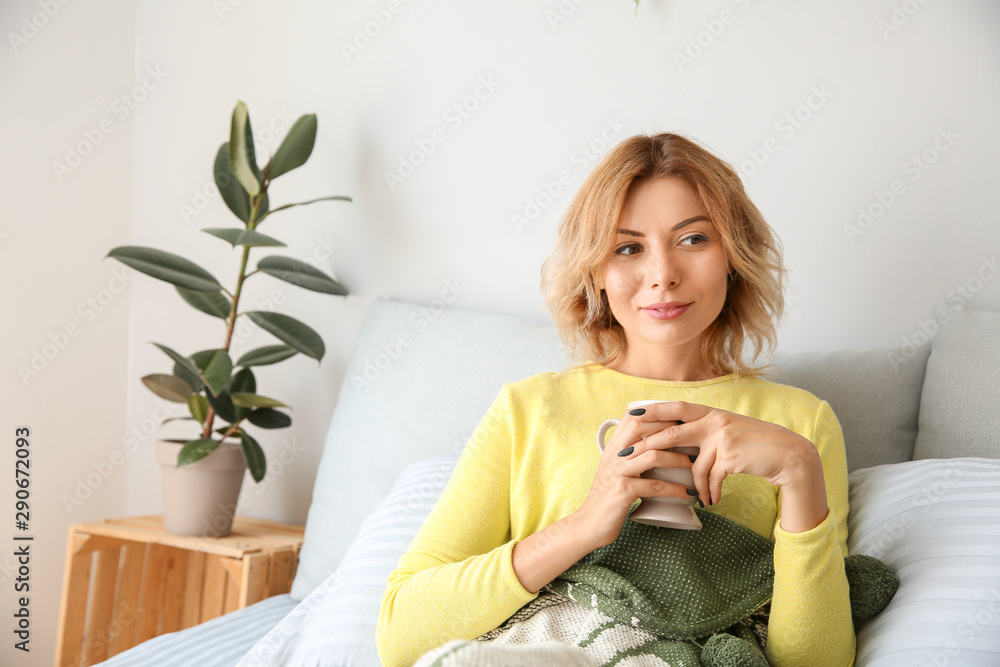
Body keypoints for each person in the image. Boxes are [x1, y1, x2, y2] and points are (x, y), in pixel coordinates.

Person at [376, 133, 855, 666]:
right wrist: (585, 524)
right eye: (628, 248)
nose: (663, 275)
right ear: (597, 274)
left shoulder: (800, 424)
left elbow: (816, 664)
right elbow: (400, 634)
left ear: (733, 257)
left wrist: (798, 469)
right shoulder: (528, 409)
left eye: (693, 239)